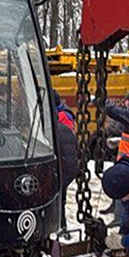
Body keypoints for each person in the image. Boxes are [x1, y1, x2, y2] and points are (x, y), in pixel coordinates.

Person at [50, 90, 79, 223]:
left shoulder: (60, 122)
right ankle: (61, 221)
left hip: (63, 167)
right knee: (61, 196)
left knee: (58, 196)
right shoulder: (65, 127)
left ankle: (59, 222)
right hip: (69, 167)